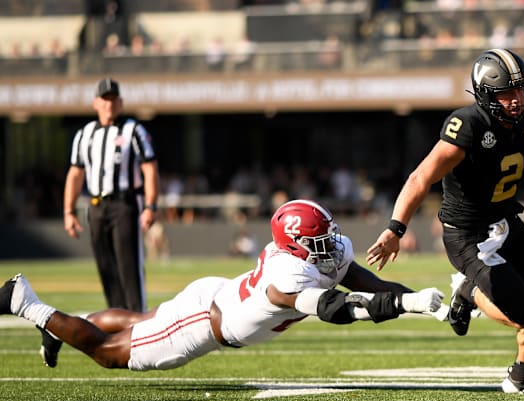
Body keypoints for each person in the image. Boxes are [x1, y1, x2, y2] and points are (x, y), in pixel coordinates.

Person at [366, 48, 524, 395]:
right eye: (505, 93)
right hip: (468, 235)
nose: (516, 100)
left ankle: (520, 378)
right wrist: (395, 228)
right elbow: (420, 178)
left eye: (520, 90)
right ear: (486, 95)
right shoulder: (469, 126)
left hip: (507, 222)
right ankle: (468, 291)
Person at [1, 200, 444, 371]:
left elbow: (372, 283)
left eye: (329, 235)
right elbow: (338, 309)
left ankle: (56, 326)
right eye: (319, 240)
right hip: (204, 323)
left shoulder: (316, 252)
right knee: (110, 353)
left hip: (217, 295)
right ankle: (28, 305)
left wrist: (421, 302)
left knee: (136, 321)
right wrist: (408, 308)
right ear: (295, 244)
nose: (331, 245)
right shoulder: (287, 275)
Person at [63, 78, 160, 313]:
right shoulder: (85, 134)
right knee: (106, 267)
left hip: (124, 204)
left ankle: (138, 321)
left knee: (129, 267)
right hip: (96, 206)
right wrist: (68, 211)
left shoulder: (133, 130)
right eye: (104, 99)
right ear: (96, 102)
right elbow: (75, 173)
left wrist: (150, 206)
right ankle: (117, 322)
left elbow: (149, 168)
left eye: (113, 99)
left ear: (121, 102)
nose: (109, 104)